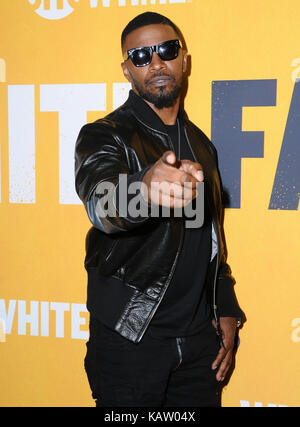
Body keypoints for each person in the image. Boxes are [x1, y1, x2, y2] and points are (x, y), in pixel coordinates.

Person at [75, 11, 244, 407]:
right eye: (141, 56)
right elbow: (103, 202)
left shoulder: (203, 146)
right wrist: (144, 190)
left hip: (199, 346)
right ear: (126, 71)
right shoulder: (106, 135)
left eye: (166, 50)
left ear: (184, 60)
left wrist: (226, 308)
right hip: (131, 341)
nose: (155, 63)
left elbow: (210, 241)